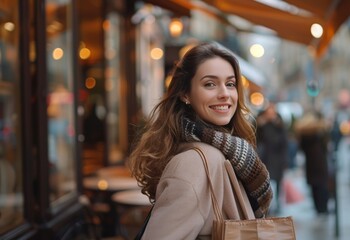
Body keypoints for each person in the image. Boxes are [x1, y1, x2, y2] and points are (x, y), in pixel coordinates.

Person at [128, 42, 273, 239]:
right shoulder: (193, 164)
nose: (224, 93)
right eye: (210, 84)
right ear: (185, 94)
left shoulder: (230, 151)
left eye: (230, 84)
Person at [294, 109, 330, 215]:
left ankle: (318, 208)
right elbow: (325, 146)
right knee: (322, 186)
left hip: (310, 163)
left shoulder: (304, 133)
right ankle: (323, 208)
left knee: (315, 187)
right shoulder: (319, 132)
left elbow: (301, 147)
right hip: (320, 163)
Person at [256, 102, 288, 213]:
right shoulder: (260, 124)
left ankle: (278, 203)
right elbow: (256, 139)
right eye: (268, 112)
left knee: (278, 182)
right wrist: (260, 124)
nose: (270, 115)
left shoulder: (279, 124)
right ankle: (266, 204)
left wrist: (285, 160)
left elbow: (284, 142)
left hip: (278, 159)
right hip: (265, 159)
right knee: (266, 182)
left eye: (272, 112)